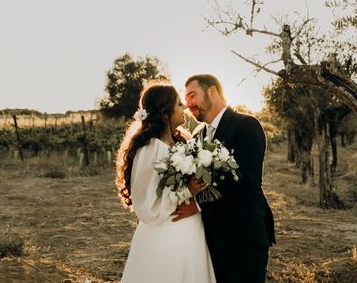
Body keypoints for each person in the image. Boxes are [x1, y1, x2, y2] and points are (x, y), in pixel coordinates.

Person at [117, 81, 216, 283]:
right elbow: (147, 204)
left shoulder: (182, 141)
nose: (185, 108)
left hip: (189, 230)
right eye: (180, 104)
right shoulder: (151, 148)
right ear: (165, 113)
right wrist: (187, 190)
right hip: (166, 233)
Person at [182, 74, 276, 283]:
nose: (188, 104)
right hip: (211, 240)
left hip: (244, 236)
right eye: (186, 99)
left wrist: (198, 206)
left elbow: (246, 181)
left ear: (212, 91)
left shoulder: (246, 125)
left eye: (192, 96)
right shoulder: (197, 133)